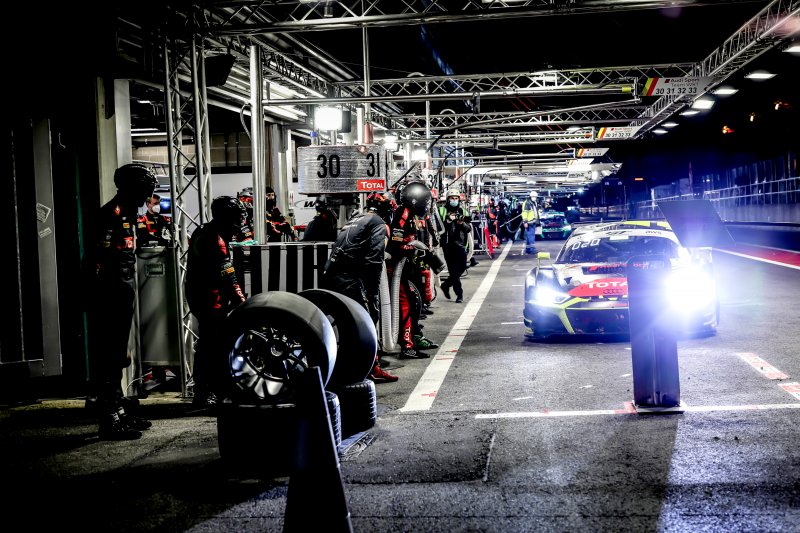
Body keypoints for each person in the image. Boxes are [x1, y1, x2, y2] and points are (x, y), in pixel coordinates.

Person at [85, 162, 158, 439]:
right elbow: (97, 260)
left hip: (123, 289)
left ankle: (118, 409)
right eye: (144, 190)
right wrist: (100, 295)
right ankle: (109, 418)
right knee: (109, 356)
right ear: (132, 188)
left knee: (117, 355)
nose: (147, 196)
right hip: (109, 292)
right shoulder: (111, 214)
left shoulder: (127, 213)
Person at [321, 192, 398, 383]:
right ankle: (371, 368)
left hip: (332, 274)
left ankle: (349, 367)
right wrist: (373, 293)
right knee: (366, 322)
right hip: (349, 277)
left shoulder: (357, 218)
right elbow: (374, 259)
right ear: (387, 210)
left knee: (347, 325)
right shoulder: (379, 223)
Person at [185, 196, 248, 407]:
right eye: (236, 218)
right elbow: (228, 275)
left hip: (205, 294)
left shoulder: (207, 231)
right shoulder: (213, 239)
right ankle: (206, 392)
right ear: (226, 217)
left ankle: (208, 390)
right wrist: (242, 302)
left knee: (211, 343)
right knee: (211, 344)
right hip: (208, 298)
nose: (239, 223)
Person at [387, 181, 434, 360]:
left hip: (406, 267)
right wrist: (412, 247)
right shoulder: (403, 213)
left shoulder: (410, 214)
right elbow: (395, 244)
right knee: (405, 304)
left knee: (414, 302)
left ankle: (413, 338)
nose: (427, 205)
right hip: (395, 269)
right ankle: (407, 346)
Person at [439, 197, 472, 304]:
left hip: (460, 244)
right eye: (452, 198)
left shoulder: (463, 211)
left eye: (456, 198)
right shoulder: (442, 211)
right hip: (448, 245)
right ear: (448, 199)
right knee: (453, 271)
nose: (454, 200)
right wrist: (448, 221)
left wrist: (461, 223)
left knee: (462, 267)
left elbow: (468, 229)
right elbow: (438, 227)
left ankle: (446, 285)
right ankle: (459, 294)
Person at [521, 190, 541, 255]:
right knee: (531, 236)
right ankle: (532, 249)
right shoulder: (527, 203)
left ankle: (528, 249)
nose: (534, 197)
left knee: (528, 236)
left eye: (535, 197)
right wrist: (525, 222)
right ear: (530, 196)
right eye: (533, 196)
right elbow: (524, 213)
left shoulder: (534, 202)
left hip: (533, 221)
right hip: (529, 222)